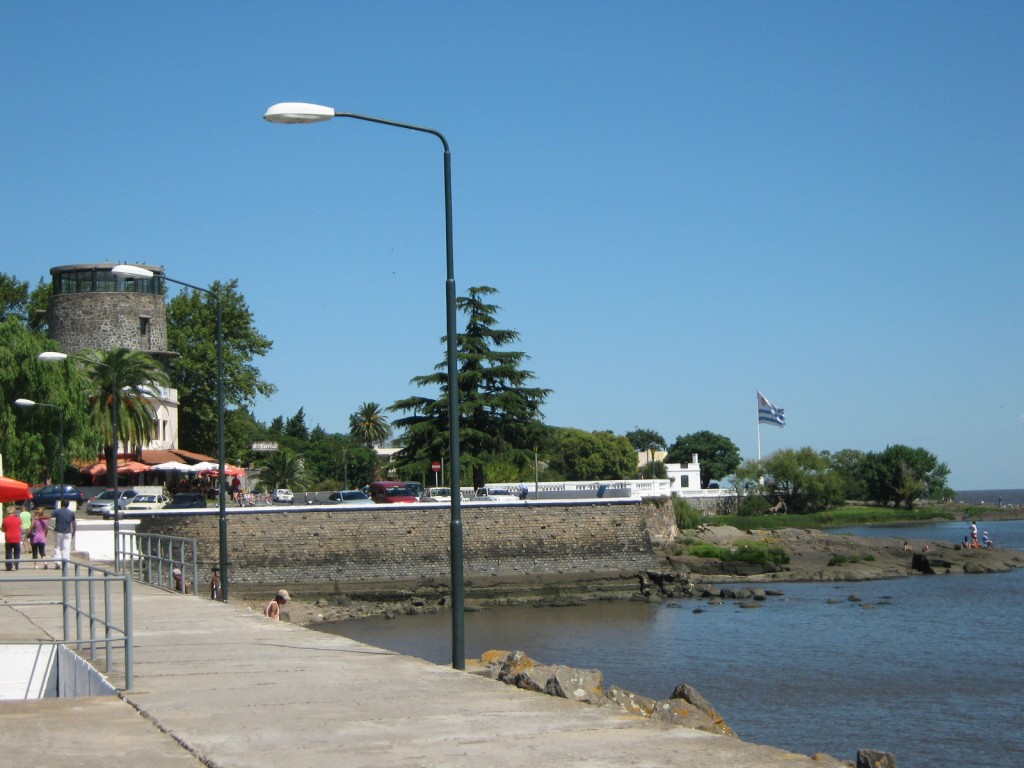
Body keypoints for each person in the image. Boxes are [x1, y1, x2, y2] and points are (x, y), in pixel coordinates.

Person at [51, 498, 76, 570]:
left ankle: (58, 563)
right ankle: (66, 564)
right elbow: (74, 524)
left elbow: (49, 516)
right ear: (68, 505)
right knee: (66, 548)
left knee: (57, 548)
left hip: (58, 531)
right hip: (68, 532)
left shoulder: (57, 511)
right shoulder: (71, 513)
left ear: (61, 504)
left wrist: (40, 517)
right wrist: (73, 532)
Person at [3, 506, 23, 571]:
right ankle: (16, 563)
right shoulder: (18, 519)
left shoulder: (5, 519)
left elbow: (3, 528)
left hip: (8, 538)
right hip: (16, 537)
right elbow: (21, 528)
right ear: (14, 511)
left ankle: (9, 566)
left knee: (8, 552)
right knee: (17, 551)